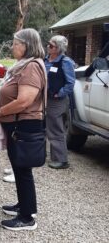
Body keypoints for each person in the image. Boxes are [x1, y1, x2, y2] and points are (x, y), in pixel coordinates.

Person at [0, 28, 46, 231]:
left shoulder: (31, 67)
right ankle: (23, 205)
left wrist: (1, 111)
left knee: (23, 170)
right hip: (17, 123)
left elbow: (24, 100)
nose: (13, 47)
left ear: (26, 45)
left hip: (24, 123)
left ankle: (27, 217)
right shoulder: (24, 65)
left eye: (15, 43)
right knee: (19, 167)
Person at [44, 35, 75, 169]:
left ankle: (61, 160)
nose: (48, 47)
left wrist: (59, 93)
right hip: (44, 99)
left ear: (58, 48)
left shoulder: (65, 62)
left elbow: (70, 83)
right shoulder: (45, 60)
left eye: (51, 45)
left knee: (56, 129)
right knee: (45, 127)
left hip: (56, 101)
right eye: (48, 45)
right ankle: (44, 154)